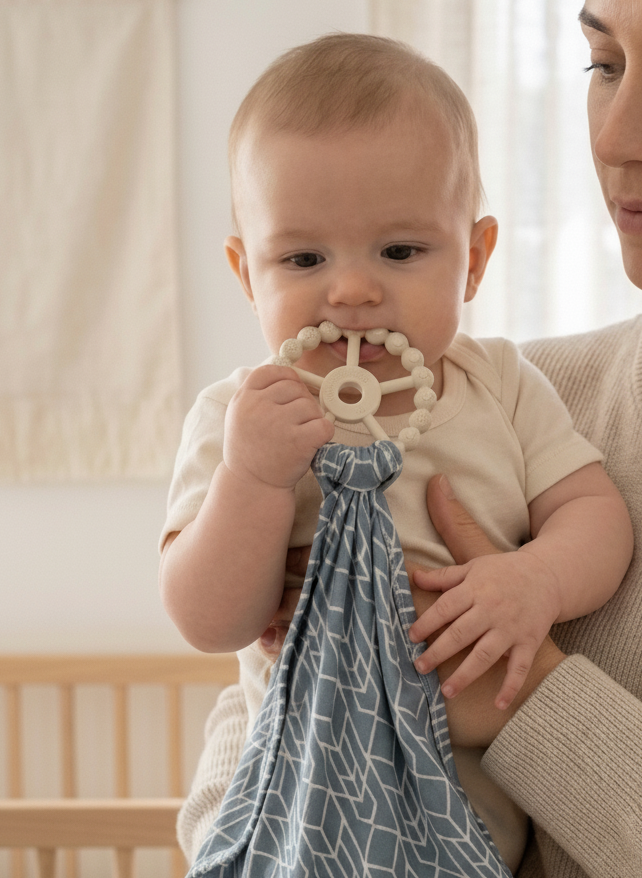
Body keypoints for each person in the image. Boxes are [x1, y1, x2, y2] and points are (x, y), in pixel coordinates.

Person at [160, 24, 636, 877]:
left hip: (473, 838)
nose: (351, 290)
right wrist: (251, 480)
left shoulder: (503, 385)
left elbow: (595, 515)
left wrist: (536, 579)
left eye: (401, 251)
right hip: (296, 818)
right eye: (303, 257)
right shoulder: (240, 417)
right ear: (247, 275)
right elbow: (210, 623)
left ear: (475, 260)